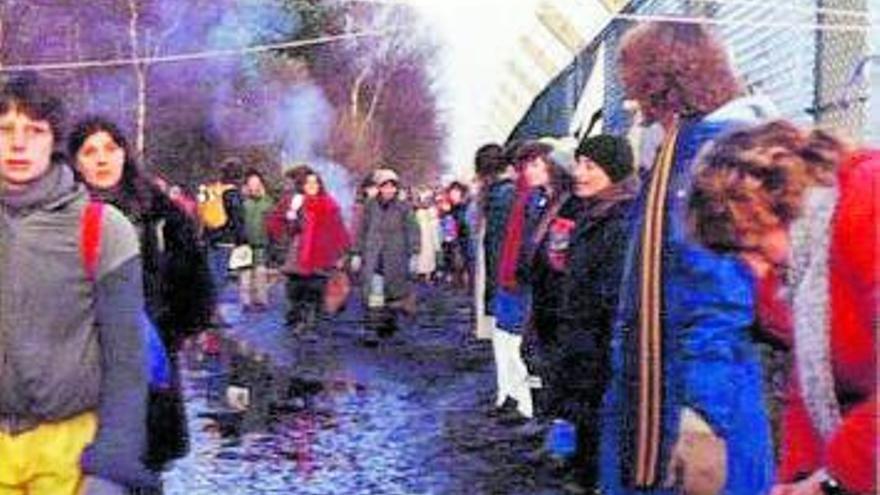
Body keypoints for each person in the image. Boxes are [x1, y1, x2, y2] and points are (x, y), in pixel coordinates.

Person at [600, 21, 777, 495]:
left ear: (664, 85)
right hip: (671, 391)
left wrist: (703, 417)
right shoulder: (690, 155)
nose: (634, 106)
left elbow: (719, 298)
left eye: (637, 90)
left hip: (685, 403)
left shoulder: (709, 160)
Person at [688, 121, 877, 495]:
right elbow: (811, 386)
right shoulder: (807, 270)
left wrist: (833, 481)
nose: (754, 269)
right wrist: (794, 480)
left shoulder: (866, 200)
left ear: (776, 202)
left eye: (754, 244)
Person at [0, 75, 157, 494]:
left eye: (34, 130)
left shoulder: (101, 229)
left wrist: (109, 467)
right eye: (5, 129)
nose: (18, 144)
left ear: (53, 140)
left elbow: (126, 361)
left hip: (69, 449)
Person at [68, 116, 214, 474]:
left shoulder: (160, 213)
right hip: (77, 379)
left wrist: (168, 331)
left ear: (124, 154)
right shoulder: (59, 216)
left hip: (148, 376)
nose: (102, 159)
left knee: (143, 473)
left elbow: (197, 286)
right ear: (75, 161)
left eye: (110, 148)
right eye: (90, 151)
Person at [532, 135, 638, 493]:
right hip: (580, 353)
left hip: (598, 359)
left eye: (590, 166)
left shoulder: (620, 224)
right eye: (579, 164)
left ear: (614, 171)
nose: (579, 173)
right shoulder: (593, 215)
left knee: (598, 451)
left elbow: (612, 301)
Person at [272, 167, 350, 334]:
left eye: (315, 182)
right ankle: (299, 319)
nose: (312, 185)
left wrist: (341, 253)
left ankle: (310, 323)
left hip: (320, 253)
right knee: (297, 289)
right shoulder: (296, 202)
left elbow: (338, 229)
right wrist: (291, 216)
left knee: (315, 289)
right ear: (303, 185)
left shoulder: (329, 204)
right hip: (298, 254)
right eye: (309, 182)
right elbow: (283, 226)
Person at [350, 168, 420, 338]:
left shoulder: (404, 208)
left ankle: (388, 324)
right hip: (373, 257)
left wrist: (414, 253)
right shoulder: (370, 206)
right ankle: (371, 329)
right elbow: (361, 231)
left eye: (392, 186)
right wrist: (357, 253)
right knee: (374, 294)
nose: (389, 190)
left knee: (392, 294)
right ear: (379, 187)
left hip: (396, 257)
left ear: (396, 188)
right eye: (385, 186)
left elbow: (413, 231)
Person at [198, 158, 246, 322]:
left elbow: (202, 214)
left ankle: (206, 311)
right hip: (225, 240)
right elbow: (237, 218)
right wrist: (241, 240)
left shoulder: (211, 190)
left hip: (208, 238)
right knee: (219, 278)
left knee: (210, 276)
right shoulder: (233, 193)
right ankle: (212, 313)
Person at [240, 169, 274, 312]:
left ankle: (261, 301)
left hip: (261, 243)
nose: (254, 187)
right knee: (245, 275)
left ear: (261, 185)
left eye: (257, 184)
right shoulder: (243, 203)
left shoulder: (268, 203)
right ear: (247, 186)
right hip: (245, 244)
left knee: (260, 273)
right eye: (251, 184)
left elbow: (273, 222)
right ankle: (246, 302)